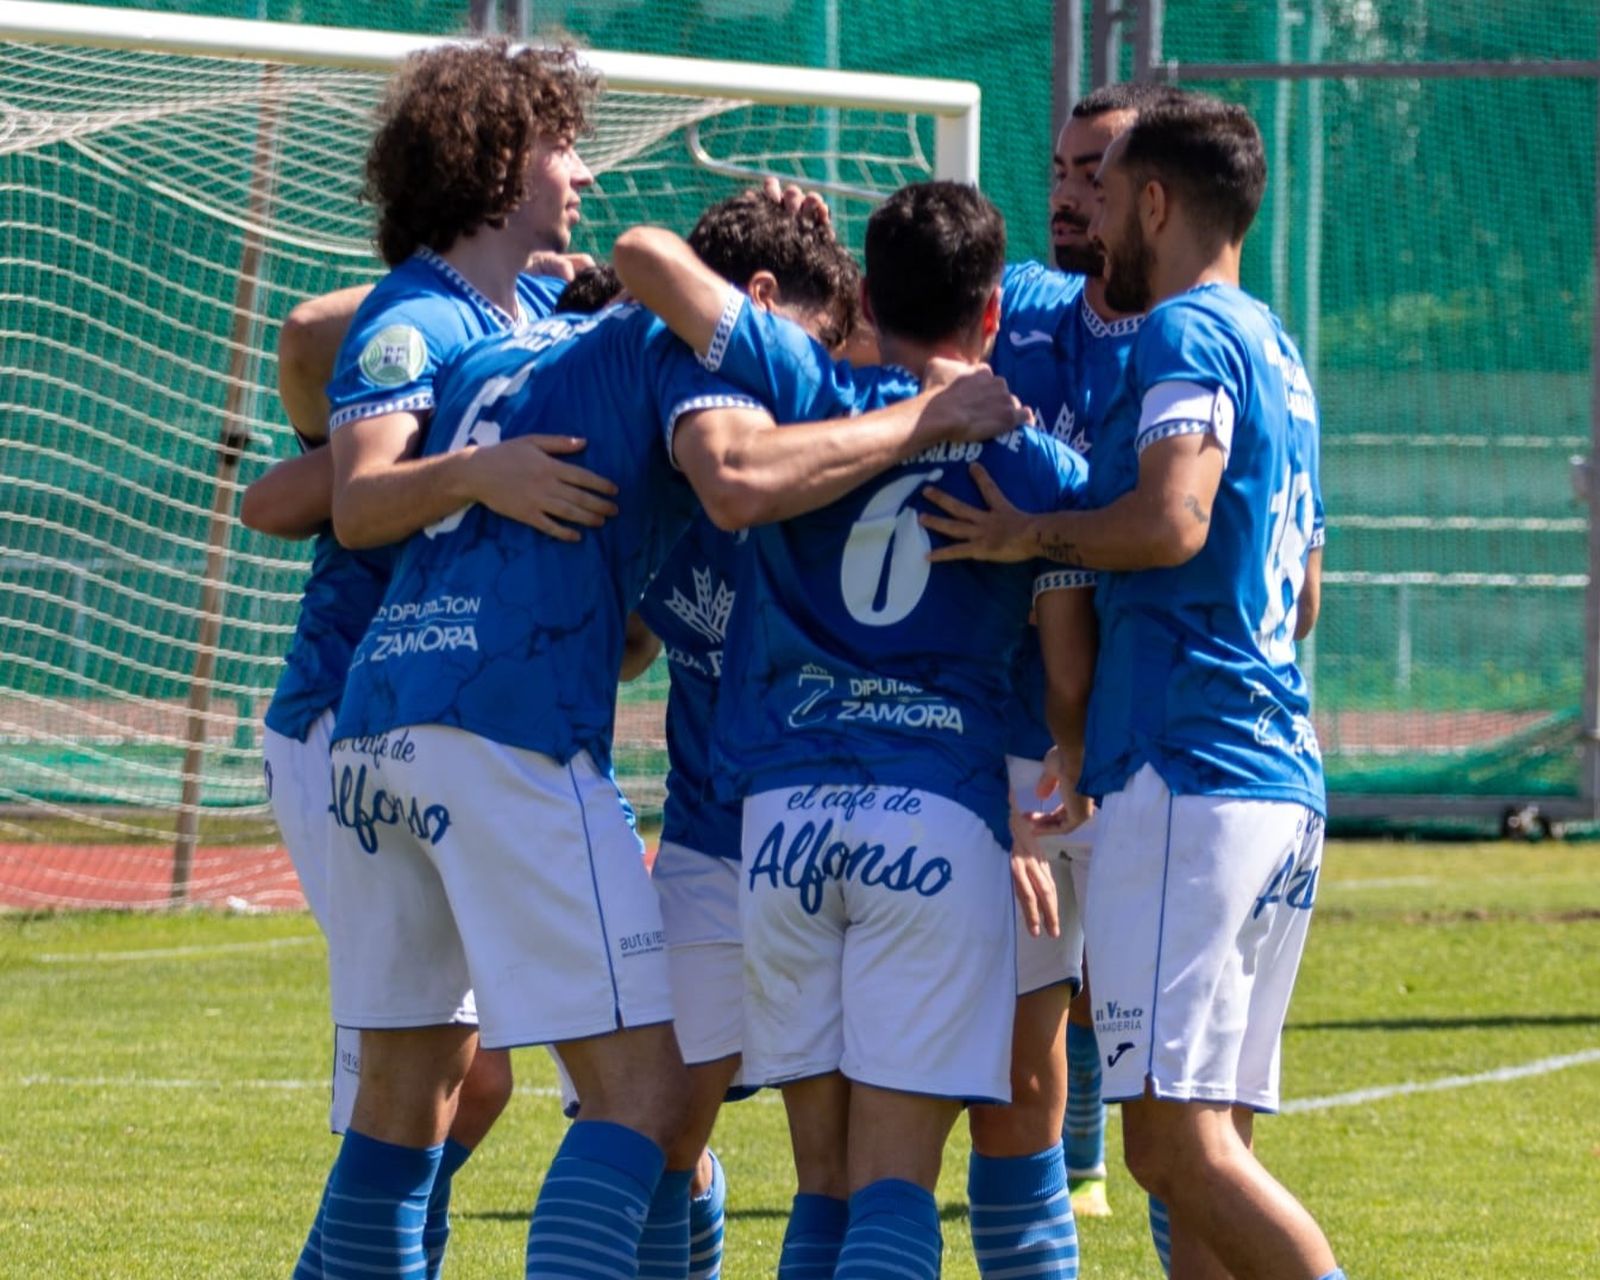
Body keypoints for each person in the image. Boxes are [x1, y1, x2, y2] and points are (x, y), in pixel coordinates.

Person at [317, 190, 1027, 1279]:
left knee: (406, 1098)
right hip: (515, 724)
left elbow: (633, 627)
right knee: (650, 1099)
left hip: (380, 714)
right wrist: (925, 417)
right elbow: (736, 477)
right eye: (814, 342)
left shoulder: (513, 341)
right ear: (747, 308)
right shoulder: (699, 355)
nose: (815, 382)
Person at [614, 180, 1099, 1280]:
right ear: (990, 318)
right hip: (931, 823)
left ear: (866, 296)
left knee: (820, 1186)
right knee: (894, 1188)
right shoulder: (1028, 458)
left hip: (781, 833)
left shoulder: (804, 386)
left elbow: (645, 255)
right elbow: (1067, 669)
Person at [920, 92, 1339, 1280]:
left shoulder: (1180, 333)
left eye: (1104, 189)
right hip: (1273, 769)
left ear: (1153, 200)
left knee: (1162, 1139)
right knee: (1209, 1135)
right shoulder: (1277, 347)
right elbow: (1303, 593)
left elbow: (1168, 519)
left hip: (1189, 765)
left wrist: (1030, 537)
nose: (1086, 211)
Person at [240, 38, 615, 1280]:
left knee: (468, 1080)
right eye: (563, 145)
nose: (583, 171)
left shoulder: (519, 308)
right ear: (499, 164)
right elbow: (358, 503)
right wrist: (482, 471)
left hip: (433, 718)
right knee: (450, 1081)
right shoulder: (411, 316)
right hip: (350, 717)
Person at [971, 83, 1178, 1279]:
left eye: (1093, 167)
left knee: (1170, 1075)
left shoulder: (1201, 338)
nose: (1066, 188)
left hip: (1151, 739)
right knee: (1026, 1045)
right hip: (1017, 734)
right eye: (1057, 164)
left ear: (1157, 192)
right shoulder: (1020, 311)